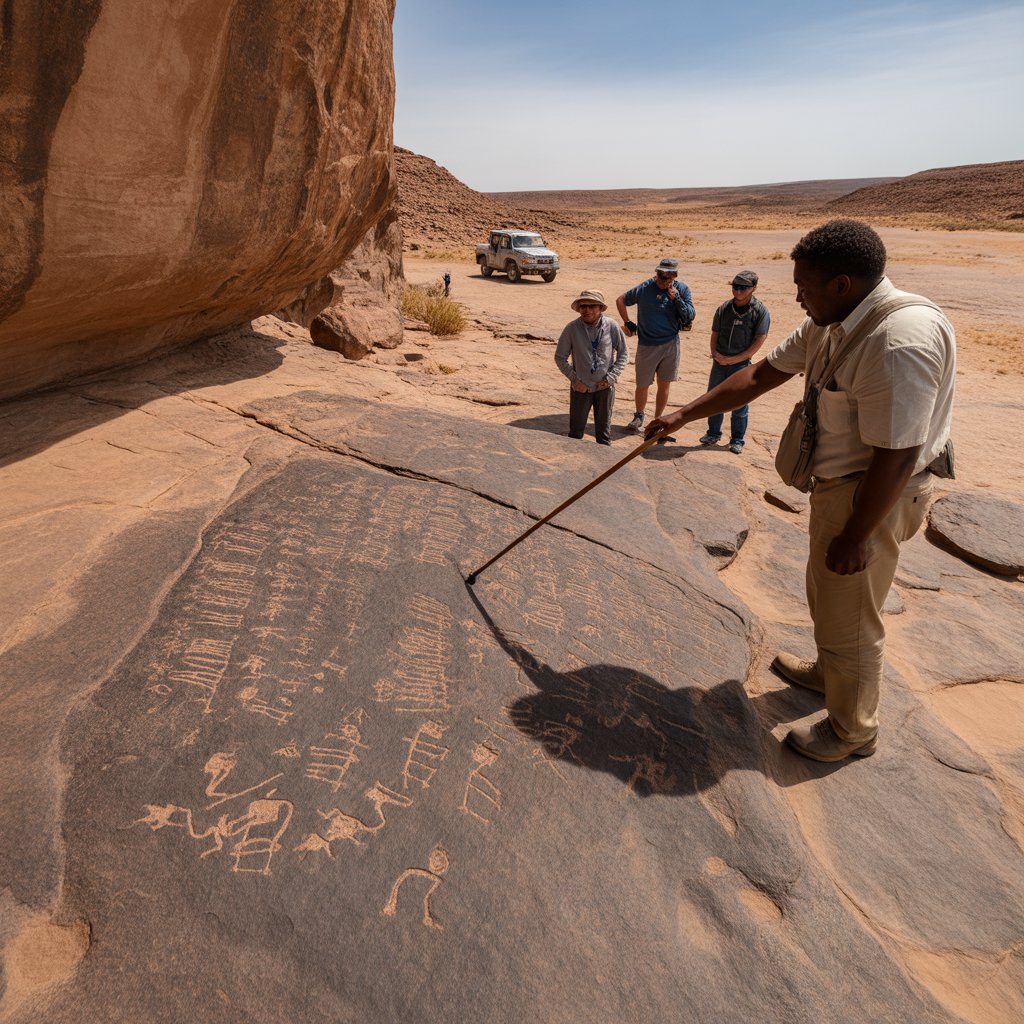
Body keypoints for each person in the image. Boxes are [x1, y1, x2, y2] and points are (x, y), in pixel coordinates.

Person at [645, 219, 956, 763]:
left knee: (852, 615)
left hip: (872, 497)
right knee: (830, 598)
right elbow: (763, 373)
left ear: (842, 283)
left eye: (804, 287)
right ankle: (828, 671)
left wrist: (857, 533)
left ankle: (853, 731)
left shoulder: (896, 341)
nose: (795, 296)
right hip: (843, 488)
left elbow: (899, 454)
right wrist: (684, 414)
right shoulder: (832, 321)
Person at [616, 258, 695, 438]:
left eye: (669, 277)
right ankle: (639, 415)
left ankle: (658, 419)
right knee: (642, 384)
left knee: (664, 383)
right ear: (656, 272)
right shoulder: (645, 288)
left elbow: (690, 315)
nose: (665, 280)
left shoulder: (682, 289)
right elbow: (620, 300)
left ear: (675, 276)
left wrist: (677, 299)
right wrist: (627, 323)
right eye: (662, 276)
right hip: (647, 344)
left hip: (670, 344)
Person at [699, 270, 770, 454]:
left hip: (741, 365)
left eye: (742, 288)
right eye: (735, 287)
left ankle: (737, 439)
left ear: (754, 288)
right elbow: (715, 333)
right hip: (719, 363)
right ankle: (713, 433)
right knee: (714, 399)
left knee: (739, 402)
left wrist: (736, 359)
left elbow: (760, 339)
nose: (737, 291)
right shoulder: (724, 309)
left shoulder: (759, 311)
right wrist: (715, 354)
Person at [555, 289, 629, 445]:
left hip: (605, 388)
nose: (586, 310)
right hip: (581, 388)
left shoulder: (612, 326)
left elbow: (623, 354)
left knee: (603, 435)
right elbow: (560, 357)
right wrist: (575, 380)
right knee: (575, 433)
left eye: (591, 306)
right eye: (583, 306)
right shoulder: (572, 328)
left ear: (601, 308)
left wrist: (611, 378)